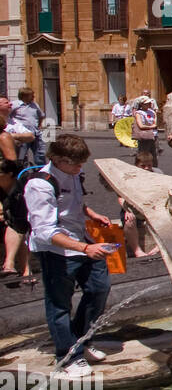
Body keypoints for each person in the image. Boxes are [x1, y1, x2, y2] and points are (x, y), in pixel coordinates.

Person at [26, 134, 115, 377]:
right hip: (56, 250)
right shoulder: (40, 185)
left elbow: (74, 203)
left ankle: (81, 340)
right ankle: (66, 356)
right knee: (59, 304)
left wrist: (92, 214)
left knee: (99, 287)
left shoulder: (74, 174)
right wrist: (85, 249)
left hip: (80, 239)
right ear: (56, 159)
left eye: (81, 164)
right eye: (74, 164)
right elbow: (44, 231)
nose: (79, 168)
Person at [12, 88, 45, 165]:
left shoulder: (34, 105)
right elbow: (8, 116)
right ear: (24, 96)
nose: (33, 97)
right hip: (23, 134)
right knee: (22, 154)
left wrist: (39, 125)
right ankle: (22, 171)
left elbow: (41, 115)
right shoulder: (15, 105)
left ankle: (40, 170)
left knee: (40, 154)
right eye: (31, 95)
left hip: (35, 133)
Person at [132, 96, 159, 163]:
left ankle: (154, 169)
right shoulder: (139, 113)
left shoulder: (152, 112)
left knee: (154, 155)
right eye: (147, 103)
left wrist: (153, 126)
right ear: (142, 104)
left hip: (154, 135)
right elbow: (141, 126)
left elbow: (155, 122)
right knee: (144, 155)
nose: (149, 104)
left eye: (150, 103)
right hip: (144, 136)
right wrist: (151, 127)